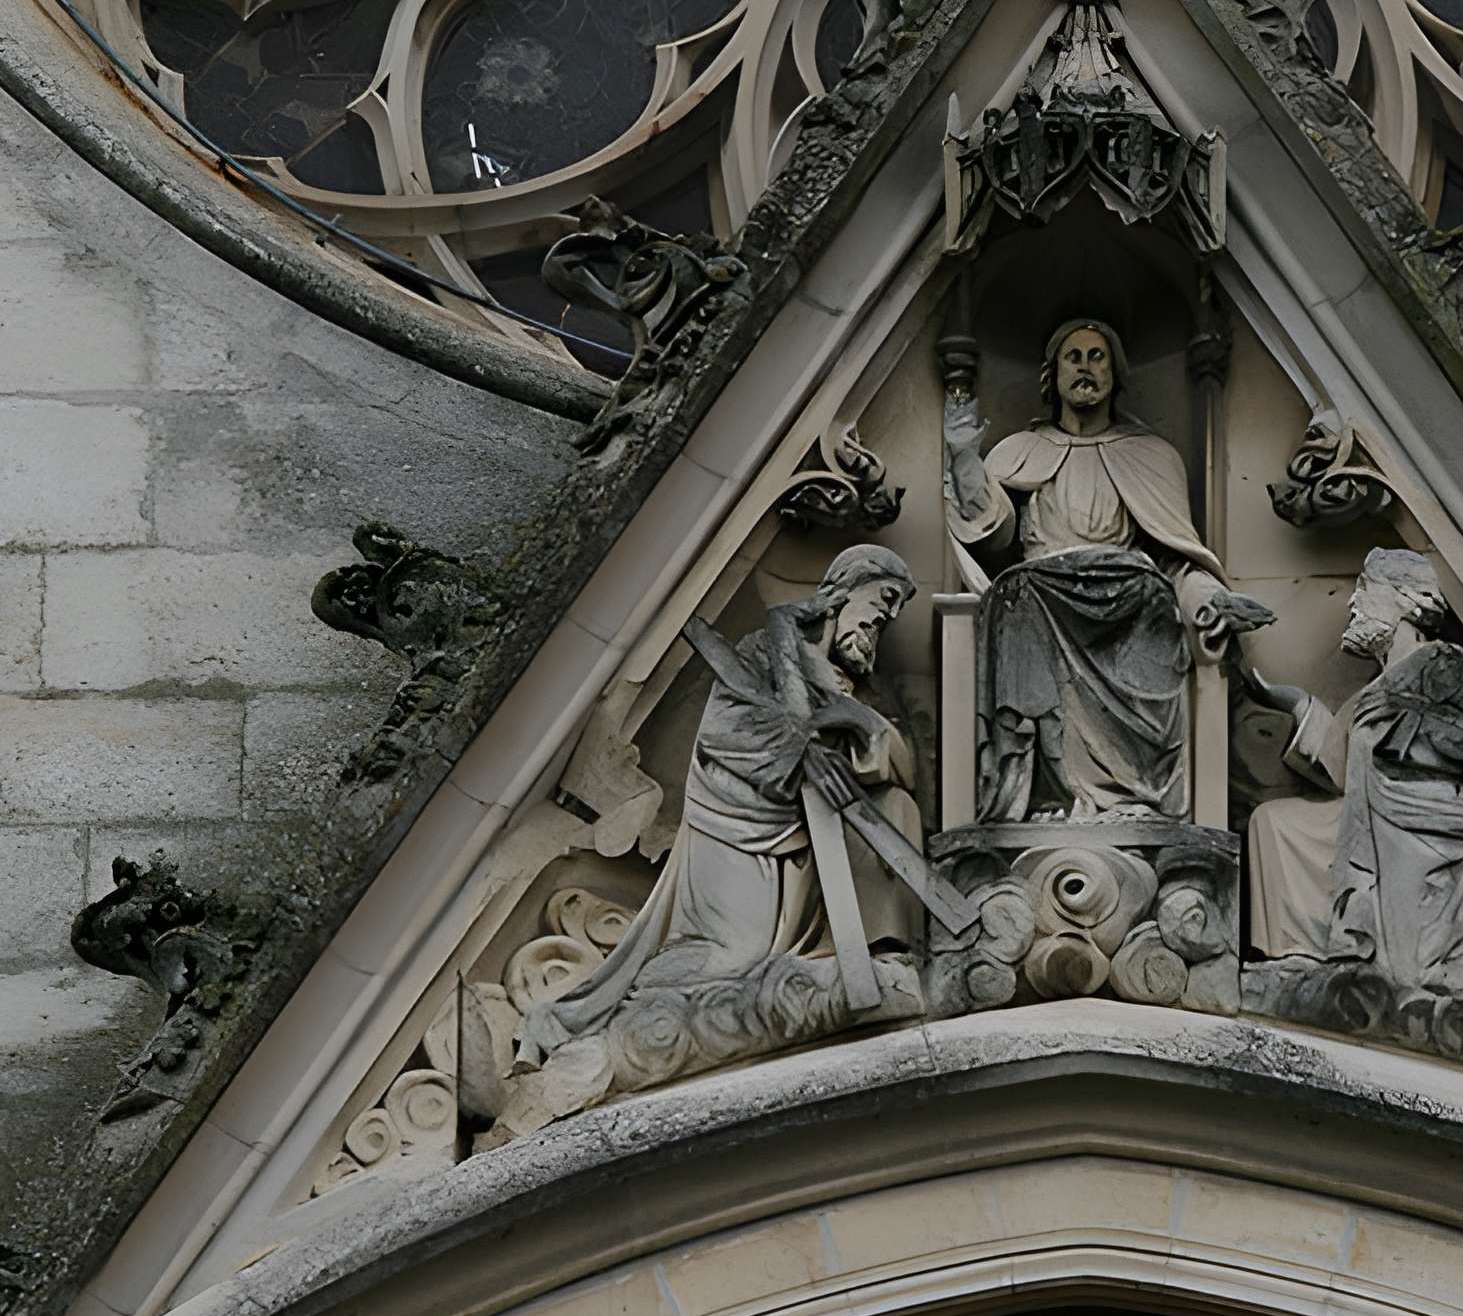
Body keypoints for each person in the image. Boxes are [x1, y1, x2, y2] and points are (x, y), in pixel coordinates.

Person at [520, 545, 919, 1064]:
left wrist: (857, 722)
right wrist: (800, 752)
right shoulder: (766, 652)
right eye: (883, 600)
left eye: (893, 615)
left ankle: (879, 950)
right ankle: (627, 1012)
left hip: (807, 842)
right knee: (737, 958)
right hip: (740, 827)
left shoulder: (848, 684)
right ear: (843, 591)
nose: (884, 619)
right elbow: (724, 733)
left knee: (895, 807)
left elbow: (894, 763)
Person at [1240, 550, 1463, 1065]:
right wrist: (1295, 705)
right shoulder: (1373, 690)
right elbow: (1347, 769)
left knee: (1419, 960)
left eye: (1366, 591)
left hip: (1417, 829)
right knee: (1274, 822)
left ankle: (1392, 966)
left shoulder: (1445, 664)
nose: (1352, 603)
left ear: (1406, 602)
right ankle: (1298, 958)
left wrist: (1398, 738)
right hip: (1366, 820)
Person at [947, 317, 1268, 819]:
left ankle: (1134, 794)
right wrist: (966, 459)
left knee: (1153, 601)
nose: (1085, 368)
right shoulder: (1017, 453)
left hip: (1129, 598)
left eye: (1097, 357)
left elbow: (1177, 556)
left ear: (1116, 375)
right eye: (1073, 357)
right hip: (1042, 595)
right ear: (1051, 376)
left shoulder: (1152, 456)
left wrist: (1208, 601)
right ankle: (1048, 795)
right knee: (1016, 597)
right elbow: (993, 535)